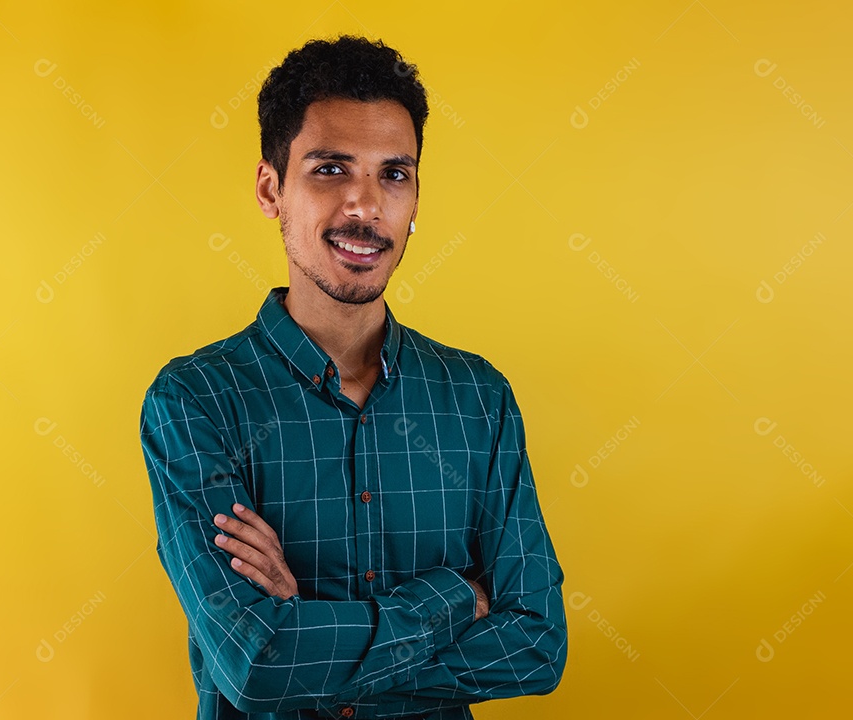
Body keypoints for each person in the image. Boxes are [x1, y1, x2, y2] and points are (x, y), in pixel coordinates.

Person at [139, 34, 567, 720]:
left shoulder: (478, 399)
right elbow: (255, 664)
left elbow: (537, 645)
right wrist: (457, 598)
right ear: (271, 189)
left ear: (417, 195)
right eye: (331, 169)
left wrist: (308, 634)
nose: (366, 207)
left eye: (394, 174)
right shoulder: (196, 402)